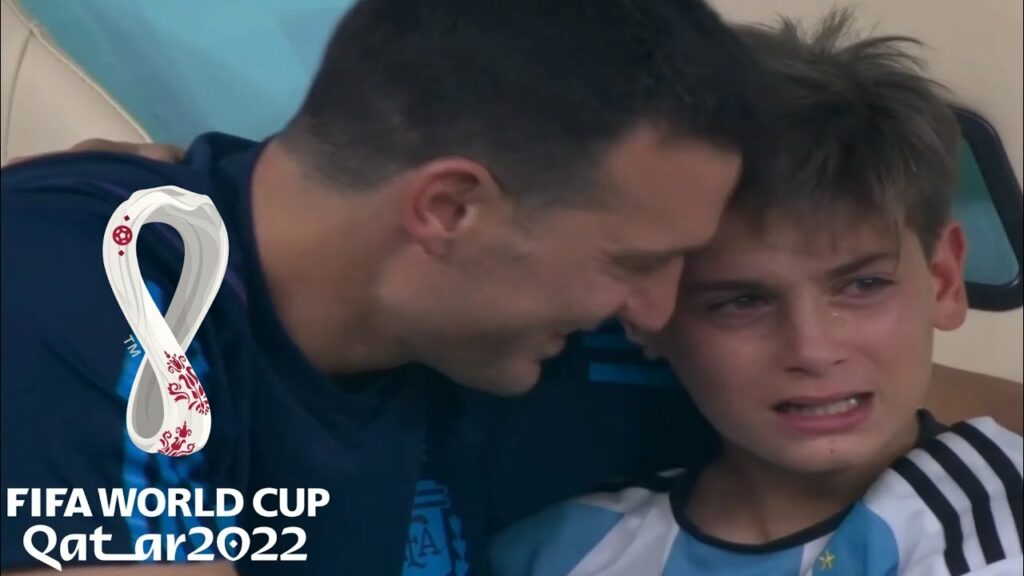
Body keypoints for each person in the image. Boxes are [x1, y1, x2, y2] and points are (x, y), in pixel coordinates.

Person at [0, 1, 766, 575]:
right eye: (632, 262)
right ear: (450, 209)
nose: (658, 314)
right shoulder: (79, 292)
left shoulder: (505, 337)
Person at [490, 11, 1023, 576]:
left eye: (865, 285)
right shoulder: (559, 548)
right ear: (643, 311)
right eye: (741, 302)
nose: (812, 350)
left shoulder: (993, 525)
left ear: (943, 279)